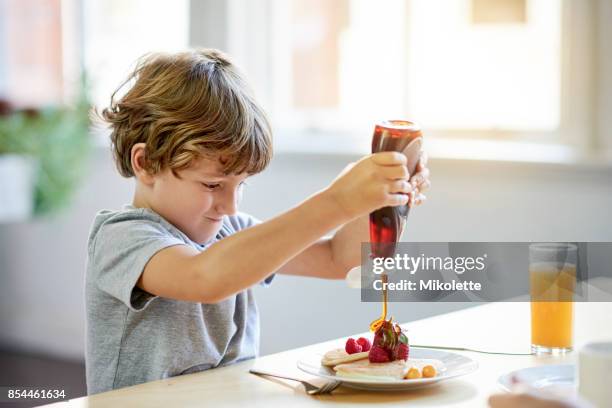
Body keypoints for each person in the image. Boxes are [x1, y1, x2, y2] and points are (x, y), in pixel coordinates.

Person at [85, 48, 431, 394]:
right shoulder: (122, 237)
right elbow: (204, 277)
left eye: (240, 185)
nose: (230, 206)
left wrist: (381, 198)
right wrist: (338, 200)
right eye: (212, 185)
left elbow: (341, 260)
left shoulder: (230, 233)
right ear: (145, 163)